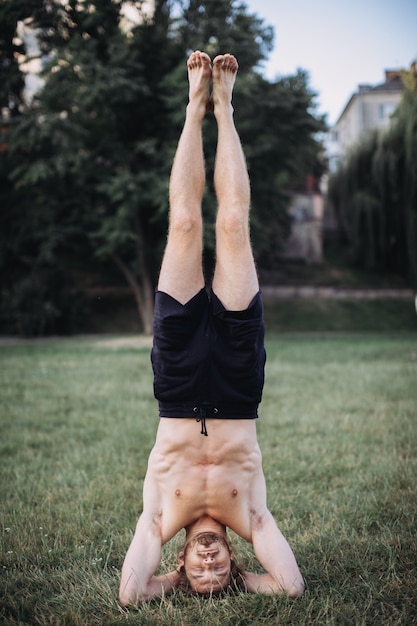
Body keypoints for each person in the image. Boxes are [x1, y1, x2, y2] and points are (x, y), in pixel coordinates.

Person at [119, 50, 304, 605]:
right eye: (216, 574)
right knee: (230, 225)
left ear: (177, 562)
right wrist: (240, 583)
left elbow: (130, 595)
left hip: (176, 387)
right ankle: (224, 110)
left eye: (196, 573)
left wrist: (170, 585)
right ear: (232, 561)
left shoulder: (161, 517)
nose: (207, 565)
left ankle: (192, 106)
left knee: (183, 222)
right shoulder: (249, 515)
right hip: (238, 386)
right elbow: (290, 587)